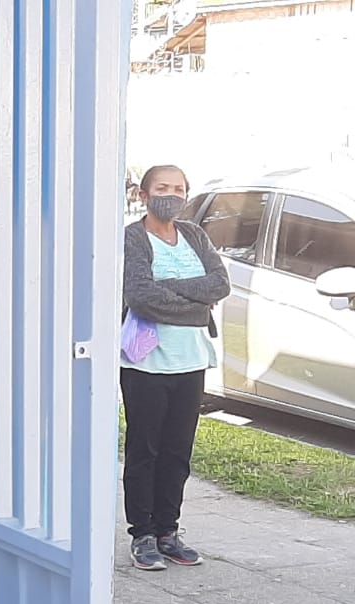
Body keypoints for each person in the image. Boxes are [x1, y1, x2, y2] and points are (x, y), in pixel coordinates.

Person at [120, 164, 230, 571]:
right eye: (162, 188)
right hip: (146, 363)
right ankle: (142, 534)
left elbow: (220, 284)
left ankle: (168, 530)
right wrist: (196, 306)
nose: (171, 194)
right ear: (145, 195)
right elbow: (140, 295)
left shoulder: (195, 236)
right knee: (144, 449)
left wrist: (171, 291)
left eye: (178, 188)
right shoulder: (132, 238)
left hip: (191, 361)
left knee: (177, 452)